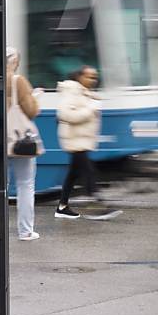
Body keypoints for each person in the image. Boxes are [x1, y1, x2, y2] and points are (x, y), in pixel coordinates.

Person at [55, 65, 117, 219]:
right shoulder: (71, 92)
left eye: (95, 77)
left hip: (81, 139)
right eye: (89, 76)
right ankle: (98, 205)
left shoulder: (85, 93)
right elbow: (64, 114)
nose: (93, 80)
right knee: (89, 171)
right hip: (75, 140)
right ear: (80, 77)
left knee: (73, 174)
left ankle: (62, 207)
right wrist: (90, 110)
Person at [6, 47, 42, 241]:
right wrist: (34, 97)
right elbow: (31, 111)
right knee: (25, 184)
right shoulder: (17, 80)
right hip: (19, 140)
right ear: (13, 61)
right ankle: (25, 231)